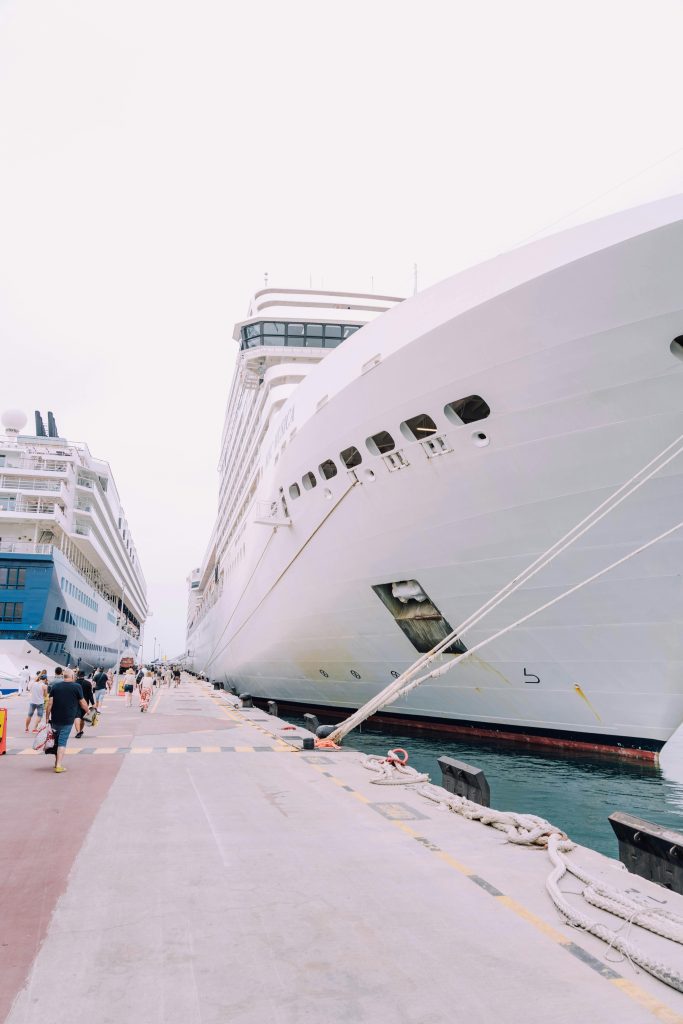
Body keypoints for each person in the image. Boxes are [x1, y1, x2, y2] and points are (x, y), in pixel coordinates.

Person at [44, 668, 88, 773]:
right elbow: (82, 703)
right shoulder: (77, 687)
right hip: (68, 719)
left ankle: (56, 762)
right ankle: (58, 765)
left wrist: (47, 718)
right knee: (62, 742)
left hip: (55, 719)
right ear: (72, 677)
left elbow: (49, 704)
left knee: (57, 741)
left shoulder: (55, 686)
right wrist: (88, 712)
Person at [74, 669, 95, 737]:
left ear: (77, 675)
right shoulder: (88, 683)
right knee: (83, 718)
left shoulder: (74, 683)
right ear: (84, 676)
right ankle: (80, 730)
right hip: (85, 703)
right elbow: (90, 694)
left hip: (75, 703)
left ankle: (78, 731)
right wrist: (93, 703)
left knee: (77, 717)